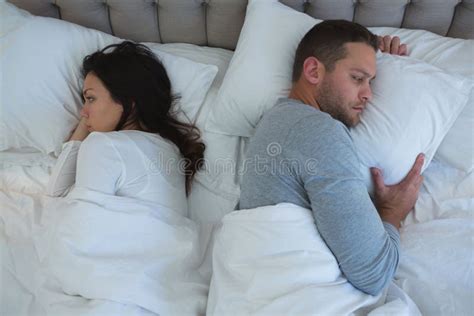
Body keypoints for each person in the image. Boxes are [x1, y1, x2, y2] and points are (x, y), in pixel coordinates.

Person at [239, 20, 423, 296]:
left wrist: (387, 63)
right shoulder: (320, 131)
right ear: (313, 70)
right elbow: (374, 274)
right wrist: (392, 213)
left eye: (371, 81)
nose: (369, 95)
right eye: (358, 78)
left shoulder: (274, 121)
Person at [47, 41, 205, 208]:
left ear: (128, 100)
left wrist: (84, 131)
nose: (83, 113)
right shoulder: (171, 149)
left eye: (91, 98)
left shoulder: (103, 145)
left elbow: (58, 201)